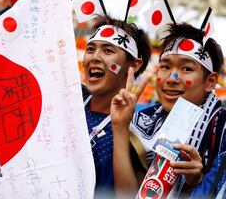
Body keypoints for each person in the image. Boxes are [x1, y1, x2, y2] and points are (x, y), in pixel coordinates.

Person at [111, 22, 226, 198]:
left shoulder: (222, 130)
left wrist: (196, 181)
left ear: (210, 81)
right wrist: (120, 128)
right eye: (165, 67)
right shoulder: (142, 121)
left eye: (186, 68)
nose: (172, 78)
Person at [81, 14, 151, 195]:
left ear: (133, 65)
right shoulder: (68, 101)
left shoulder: (138, 135)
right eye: (90, 49)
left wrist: (120, 129)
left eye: (108, 50)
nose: (94, 57)